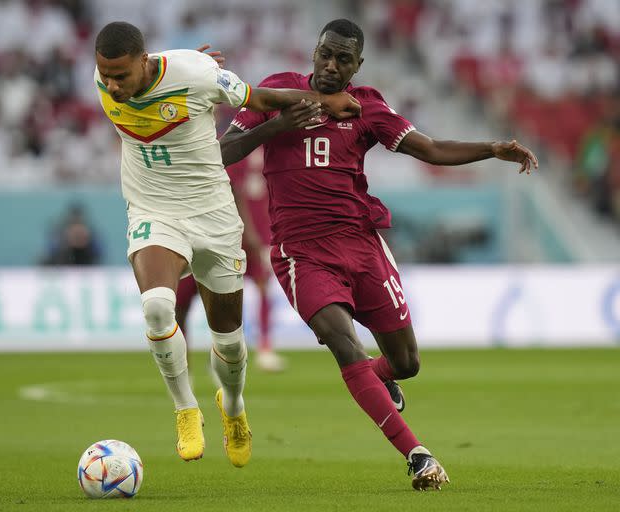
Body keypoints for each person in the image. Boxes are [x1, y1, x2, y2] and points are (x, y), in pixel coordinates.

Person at [219, 19, 538, 489]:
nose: (331, 65)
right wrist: (278, 127)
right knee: (345, 344)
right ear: (314, 50)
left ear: (357, 65)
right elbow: (225, 151)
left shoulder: (367, 106)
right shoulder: (275, 92)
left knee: (406, 363)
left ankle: (372, 379)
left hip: (362, 245)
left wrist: (491, 148)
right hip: (302, 253)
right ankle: (417, 454)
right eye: (325, 53)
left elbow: (429, 149)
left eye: (343, 59)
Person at [92, 21, 361, 467]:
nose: (112, 85)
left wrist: (324, 100)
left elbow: (262, 99)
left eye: (121, 75)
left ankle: (233, 407)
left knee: (230, 343)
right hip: (153, 212)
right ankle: (185, 408)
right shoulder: (108, 76)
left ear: (142, 62)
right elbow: (148, 63)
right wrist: (176, 62)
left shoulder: (195, 75)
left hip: (213, 215)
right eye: (106, 75)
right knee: (158, 306)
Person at [176, 151, 286, 372]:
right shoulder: (236, 146)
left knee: (263, 287)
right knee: (213, 293)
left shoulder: (274, 148)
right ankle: (216, 351)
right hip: (225, 233)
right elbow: (232, 190)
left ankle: (263, 347)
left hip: (261, 233)